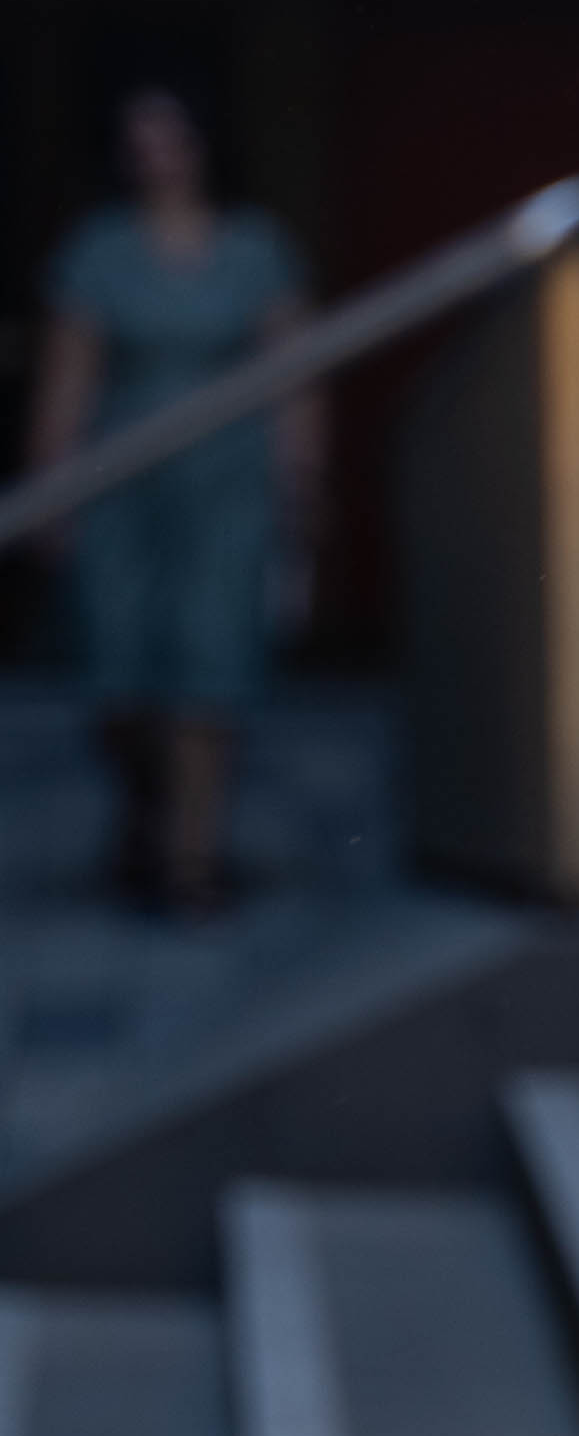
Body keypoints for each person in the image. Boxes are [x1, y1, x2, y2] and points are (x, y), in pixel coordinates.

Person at [26, 83, 315, 918]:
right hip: (122, 483)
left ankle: (191, 858)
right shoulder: (100, 249)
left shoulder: (257, 246)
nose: (157, 159)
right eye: (139, 143)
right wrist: (54, 487)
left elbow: (295, 373)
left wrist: (302, 480)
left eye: (172, 140)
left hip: (226, 484)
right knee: (119, 680)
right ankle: (148, 812)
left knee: (208, 666)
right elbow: (69, 377)